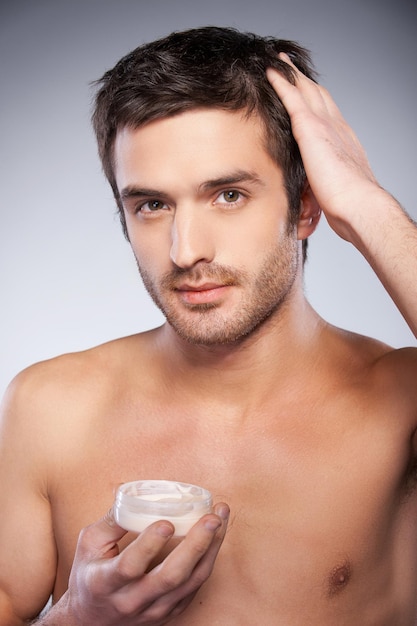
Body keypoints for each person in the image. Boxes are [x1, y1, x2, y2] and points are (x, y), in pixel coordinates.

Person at [1, 25, 417, 625]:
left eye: (227, 195)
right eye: (152, 204)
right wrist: (76, 620)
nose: (185, 250)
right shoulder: (49, 409)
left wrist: (364, 204)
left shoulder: (401, 402)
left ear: (305, 205)